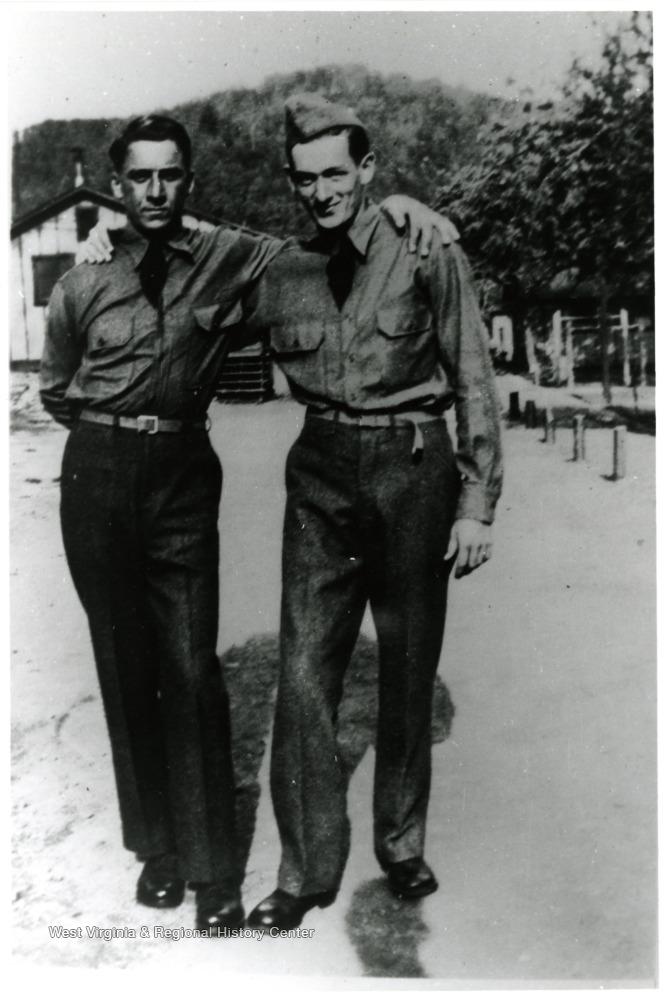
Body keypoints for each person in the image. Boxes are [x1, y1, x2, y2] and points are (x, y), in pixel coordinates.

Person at [42, 112, 459, 934]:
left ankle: (217, 875)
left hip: (191, 472)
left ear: (189, 182)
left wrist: (404, 204)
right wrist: (110, 431)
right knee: (126, 666)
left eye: (170, 175)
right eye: (139, 177)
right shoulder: (83, 278)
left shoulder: (237, 257)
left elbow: (332, 236)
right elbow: (58, 387)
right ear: (117, 186)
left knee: (193, 668)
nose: (154, 190)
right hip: (100, 469)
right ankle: (163, 852)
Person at [239, 94, 503, 932]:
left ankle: (401, 843)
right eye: (305, 178)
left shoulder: (426, 245)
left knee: (407, 665)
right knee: (303, 674)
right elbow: (193, 267)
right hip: (320, 473)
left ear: (367, 169)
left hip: (412, 469)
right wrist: (108, 244)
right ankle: (304, 870)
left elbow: (472, 374)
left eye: (335, 174)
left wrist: (477, 501)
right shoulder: (282, 266)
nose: (321, 192)